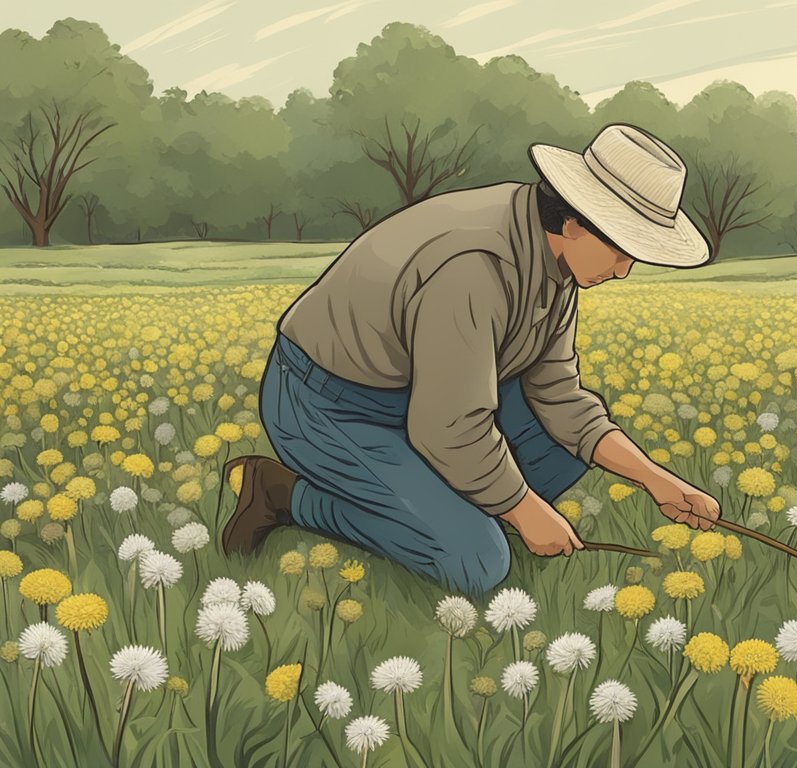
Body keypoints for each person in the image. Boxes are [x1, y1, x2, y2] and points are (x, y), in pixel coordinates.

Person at [220, 123, 722, 595]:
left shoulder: (556, 263)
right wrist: (523, 510)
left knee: (563, 446)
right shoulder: (475, 267)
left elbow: (559, 397)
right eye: (621, 251)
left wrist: (658, 481)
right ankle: (284, 495)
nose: (625, 270)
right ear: (573, 221)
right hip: (329, 403)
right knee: (478, 562)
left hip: (421, 396)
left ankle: (439, 502)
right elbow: (447, 426)